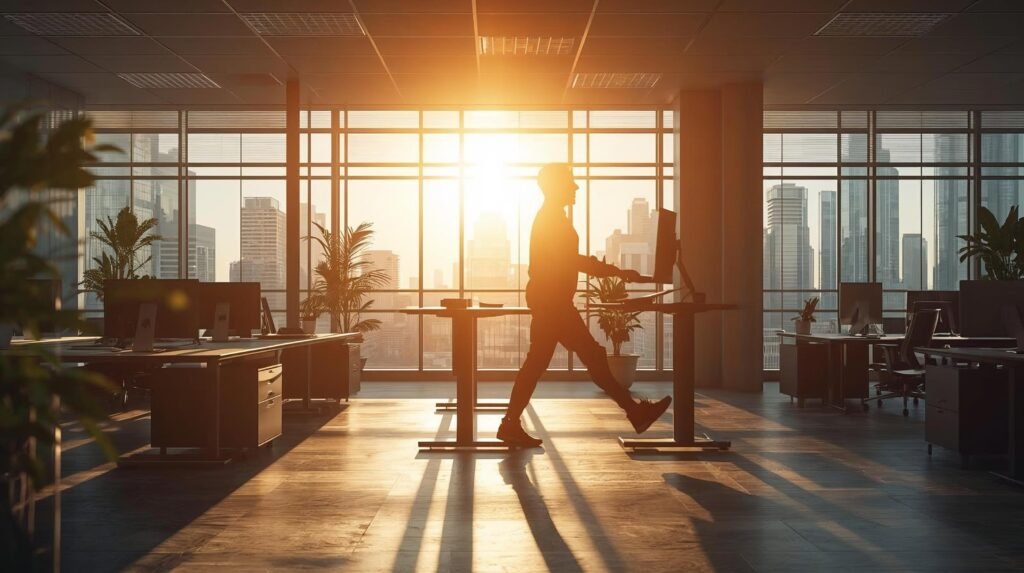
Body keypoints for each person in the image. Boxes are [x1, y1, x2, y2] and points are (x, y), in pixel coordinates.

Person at [497, 163, 671, 447]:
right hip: (553, 304)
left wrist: (616, 272)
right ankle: (635, 412)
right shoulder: (551, 219)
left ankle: (510, 424)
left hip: (551, 301)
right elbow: (573, 261)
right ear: (557, 187)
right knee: (587, 357)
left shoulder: (552, 217)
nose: (575, 187)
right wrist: (617, 272)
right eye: (570, 182)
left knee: (553, 362)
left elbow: (569, 260)